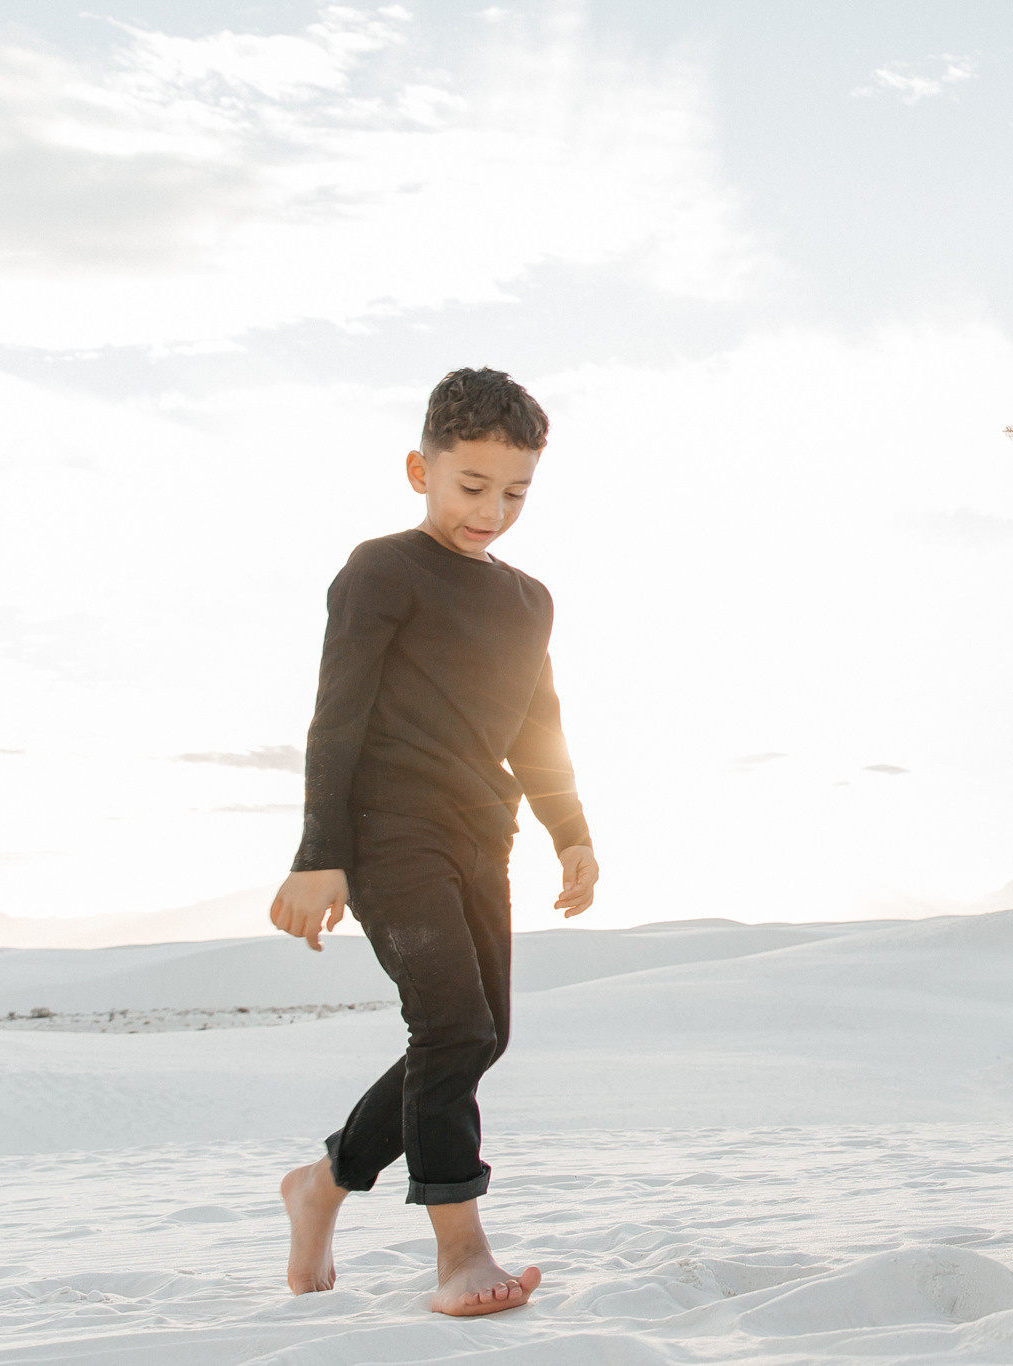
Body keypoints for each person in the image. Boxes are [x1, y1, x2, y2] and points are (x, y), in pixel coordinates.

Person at [267, 366, 599, 1316]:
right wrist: (316, 854)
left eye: (515, 493)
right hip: (385, 830)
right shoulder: (380, 570)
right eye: (471, 486)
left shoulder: (529, 599)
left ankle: (322, 1184)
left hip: (477, 832)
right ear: (421, 469)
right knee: (451, 1027)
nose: (491, 511)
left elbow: (540, 722)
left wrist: (569, 832)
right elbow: (336, 719)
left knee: (479, 1036)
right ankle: (460, 1252)